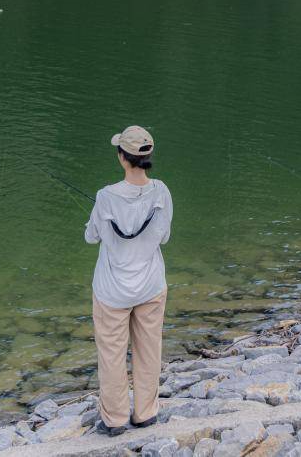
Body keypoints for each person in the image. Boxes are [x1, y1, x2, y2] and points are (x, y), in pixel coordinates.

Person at [84, 125, 173, 436]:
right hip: (150, 285)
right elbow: (164, 236)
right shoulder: (162, 191)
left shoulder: (105, 196)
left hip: (112, 290)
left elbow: (92, 236)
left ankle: (115, 419)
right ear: (148, 156)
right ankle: (146, 412)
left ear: (123, 157)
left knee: (111, 354)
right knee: (149, 350)